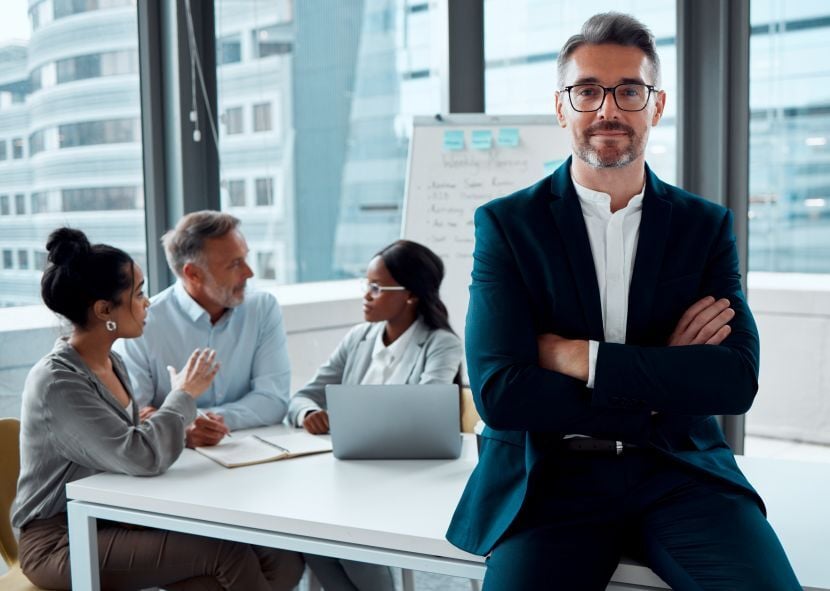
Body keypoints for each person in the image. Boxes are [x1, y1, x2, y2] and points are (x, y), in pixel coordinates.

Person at [446, 12, 801, 591]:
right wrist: (665, 380)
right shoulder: (509, 225)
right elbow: (500, 394)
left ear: (655, 106)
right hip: (550, 476)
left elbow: (735, 381)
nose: (608, 109)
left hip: (678, 469)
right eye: (587, 91)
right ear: (562, 107)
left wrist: (580, 358)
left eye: (629, 91)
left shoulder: (703, 226)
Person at [12, 227, 304, 590]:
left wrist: (181, 418)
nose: (148, 302)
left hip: (117, 517)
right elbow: (141, 455)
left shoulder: (111, 364)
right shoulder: (59, 382)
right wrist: (184, 394)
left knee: (275, 550)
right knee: (227, 552)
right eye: (138, 293)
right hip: (63, 539)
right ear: (105, 310)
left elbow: (138, 445)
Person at [288, 239, 463, 591]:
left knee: (341, 537)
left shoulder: (441, 344)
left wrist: (351, 417)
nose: (366, 296)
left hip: (406, 479)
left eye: (376, 287)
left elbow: (425, 412)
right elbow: (302, 395)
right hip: (349, 474)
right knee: (306, 536)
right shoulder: (358, 338)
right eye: (366, 286)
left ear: (410, 295)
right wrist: (308, 413)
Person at [116, 210, 291, 448]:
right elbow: (135, 414)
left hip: (250, 451)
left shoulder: (262, 308)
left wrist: (198, 420)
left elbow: (274, 401)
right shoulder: (144, 321)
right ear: (193, 273)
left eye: (245, 258)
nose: (249, 272)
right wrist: (184, 430)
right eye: (235, 264)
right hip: (176, 465)